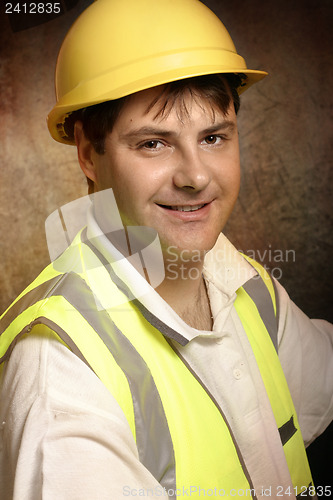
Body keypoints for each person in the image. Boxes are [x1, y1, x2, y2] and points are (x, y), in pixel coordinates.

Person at [0, 0, 332, 498]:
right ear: (90, 154)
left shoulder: (240, 281)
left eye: (214, 137)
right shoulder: (62, 374)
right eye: (154, 143)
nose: (196, 176)